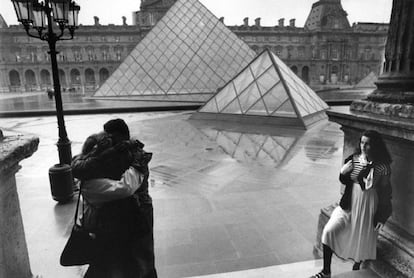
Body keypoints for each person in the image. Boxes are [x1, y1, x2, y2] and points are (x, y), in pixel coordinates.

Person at [71, 118, 157, 278]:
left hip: (126, 220)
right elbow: (125, 188)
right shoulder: (93, 183)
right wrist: (138, 166)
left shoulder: (93, 172)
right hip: (126, 222)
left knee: (131, 261)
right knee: (137, 261)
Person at [310, 130, 393, 278]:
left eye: (368, 144)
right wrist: (342, 173)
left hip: (369, 204)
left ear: (375, 146)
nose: (363, 146)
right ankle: (326, 271)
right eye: (362, 142)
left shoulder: (383, 167)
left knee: (363, 238)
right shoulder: (353, 159)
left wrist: (382, 216)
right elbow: (345, 180)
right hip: (349, 202)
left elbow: (386, 192)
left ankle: (358, 267)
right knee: (329, 231)